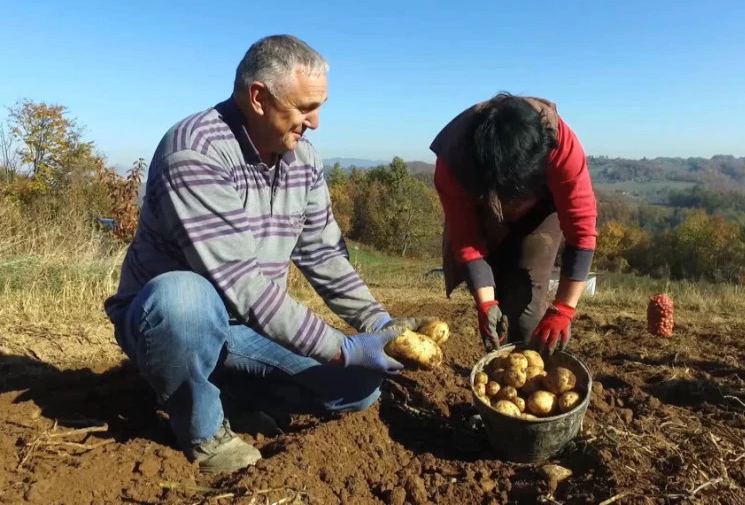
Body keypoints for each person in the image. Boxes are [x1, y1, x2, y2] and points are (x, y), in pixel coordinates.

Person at [103, 35, 425, 474]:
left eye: (320, 107)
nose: (315, 122)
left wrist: (380, 325)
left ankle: (225, 395)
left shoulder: (304, 160)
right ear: (259, 98)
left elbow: (324, 256)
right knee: (184, 298)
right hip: (173, 322)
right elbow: (243, 287)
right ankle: (201, 428)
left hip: (248, 328)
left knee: (360, 387)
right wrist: (342, 348)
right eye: (305, 108)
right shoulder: (195, 152)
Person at [430, 92, 598, 354]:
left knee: (524, 315)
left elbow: (582, 232)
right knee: (497, 309)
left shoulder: (561, 146)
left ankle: (530, 362)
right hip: (483, 208)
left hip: (542, 214)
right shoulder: (453, 162)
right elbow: (466, 237)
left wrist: (563, 309)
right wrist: (485, 303)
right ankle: (499, 367)